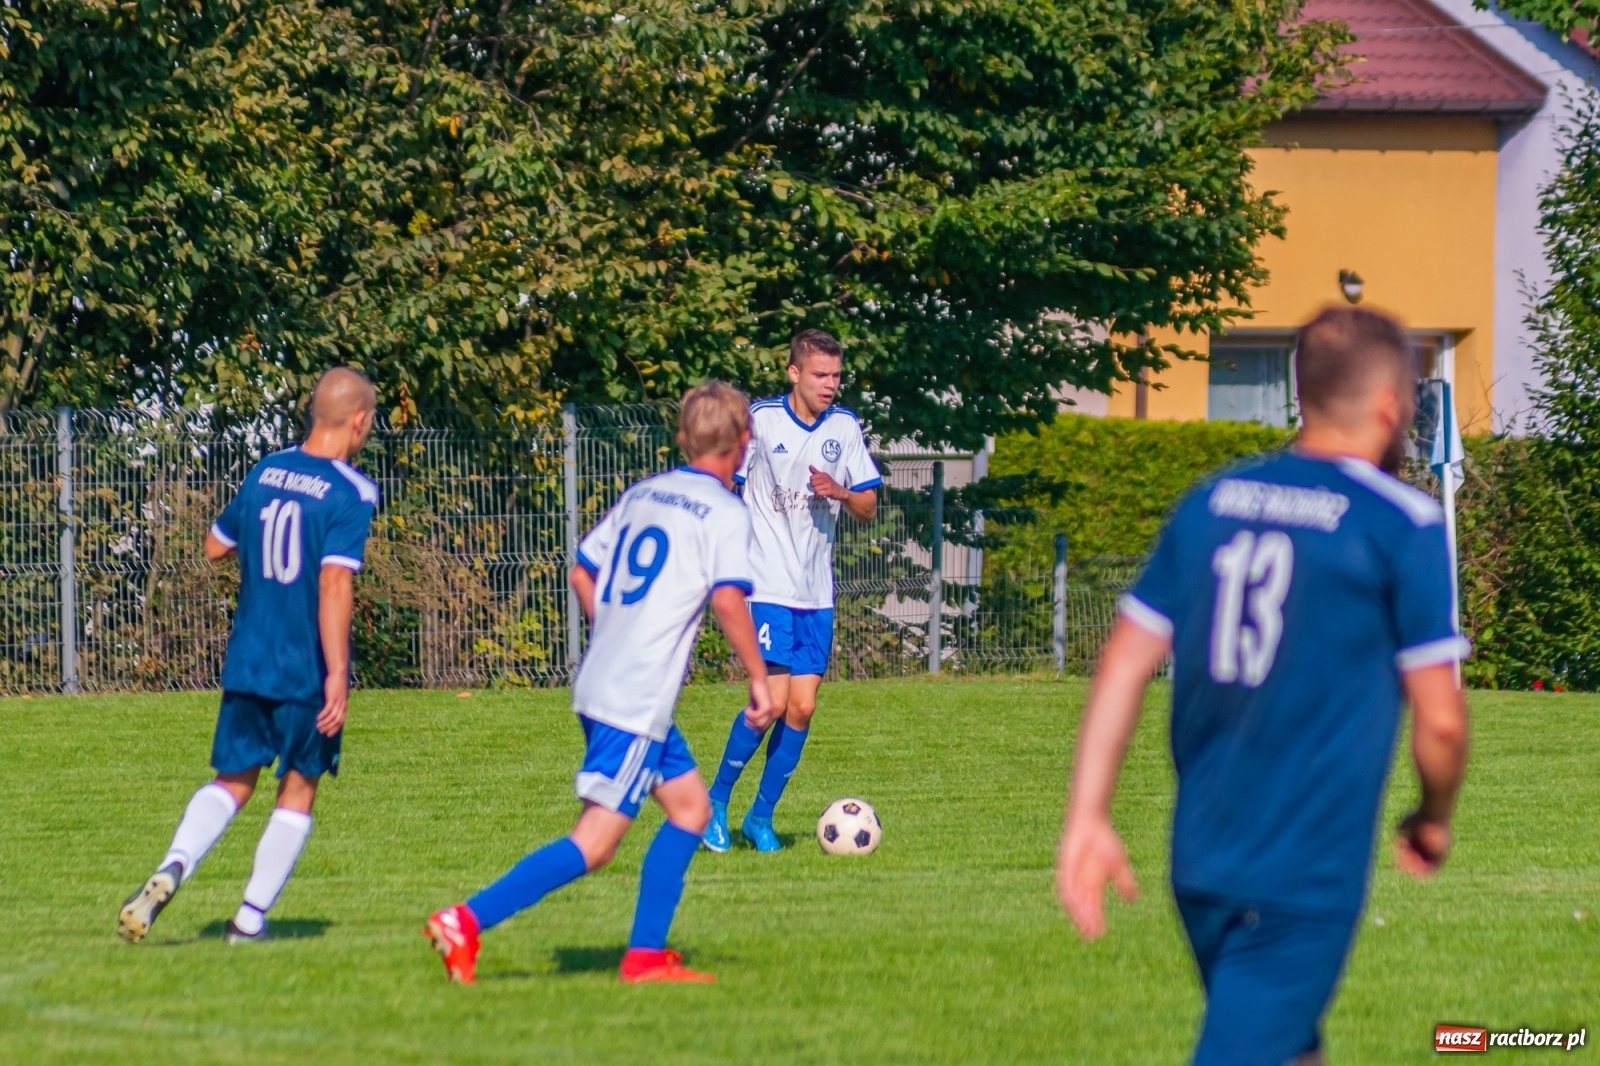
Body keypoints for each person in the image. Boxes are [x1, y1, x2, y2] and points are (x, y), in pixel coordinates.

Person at [1055, 306, 1471, 1065]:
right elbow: (1440, 722)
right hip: (1300, 878)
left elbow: (1123, 660)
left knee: (1290, 1048)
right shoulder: (1402, 523)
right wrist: (1434, 818)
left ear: (1301, 393)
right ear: (1389, 405)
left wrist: (1089, 813)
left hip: (1201, 861)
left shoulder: (1212, 500)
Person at [425, 381, 777, 985]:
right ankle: (464, 919)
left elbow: (583, 571)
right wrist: (759, 678)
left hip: (608, 680)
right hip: (634, 699)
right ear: (744, 443)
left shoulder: (646, 492)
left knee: (691, 810)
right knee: (595, 843)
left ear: (683, 437)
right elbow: (727, 596)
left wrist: (620, 632)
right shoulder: (724, 511)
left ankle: (644, 957)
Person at [118, 367, 381, 945]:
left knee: (232, 779)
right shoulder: (353, 491)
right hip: (302, 667)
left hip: (248, 659)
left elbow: (214, 546)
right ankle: (248, 923)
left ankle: (174, 865)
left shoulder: (267, 469)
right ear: (359, 421)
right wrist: (339, 672)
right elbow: (336, 584)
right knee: (299, 786)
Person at [703, 329, 882, 853]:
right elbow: (723, 478)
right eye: (821, 375)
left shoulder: (845, 427)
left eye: (837, 375)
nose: (831, 384)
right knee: (770, 704)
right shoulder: (760, 420)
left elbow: (869, 506)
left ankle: (760, 818)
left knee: (801, 708)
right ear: (795, 373)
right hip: (767, 585)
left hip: (815, 593)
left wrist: (841, 491)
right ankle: (714, 802)